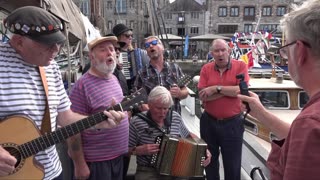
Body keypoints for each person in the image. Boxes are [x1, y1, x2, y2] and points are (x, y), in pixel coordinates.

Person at [0, 6, 124, 180]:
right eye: (47, 44)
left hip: (53, 171)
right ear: (20, 41)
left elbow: (65, 118)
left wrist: (99, 122)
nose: (56, 50)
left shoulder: (51, 67)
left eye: (57, 42)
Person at [238, 0, 320, 179]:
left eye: (285, 50)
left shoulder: (309, 124)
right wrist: (260, 113)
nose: (284, 57)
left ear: (299, 52)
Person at [68, 35, 129, 180]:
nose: (110, 53)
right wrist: (80, 164)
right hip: (97, 163)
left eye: (112, 49)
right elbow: (71, 130)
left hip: (118, 157)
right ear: (92, 57)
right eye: (103, 50)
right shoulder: (82, 86)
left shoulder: (114, 79)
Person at [128, 86, 211, 180]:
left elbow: (189, 135)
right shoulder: (137, 122)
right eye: (158, 108)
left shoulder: (175, 117)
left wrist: (204, 150)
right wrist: (138, 150)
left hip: (175, 167)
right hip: (148, 169)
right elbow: (125, 150)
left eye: (166, 108)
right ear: (149, 105)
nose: (163, 113)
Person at [198, 39, 250, 180]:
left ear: (229, 51)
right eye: (216, 51)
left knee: (232, 165)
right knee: (209, 162)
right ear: (212, 53)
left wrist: (215, 88)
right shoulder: (206, 69)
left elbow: (241, 91)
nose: (220, 53)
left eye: (223, 50)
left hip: (232, 124)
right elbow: (203, 96)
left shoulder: (240, 66)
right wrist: (229, 92)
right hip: (209, 122)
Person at [134, 36, 189, 114]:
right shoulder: (141, 73)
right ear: (146, 52)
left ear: (162, 47)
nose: (150, 46)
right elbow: (136, 99)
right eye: (147, 45)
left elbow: (185, 92)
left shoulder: (175, 68)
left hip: (173, 117)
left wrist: (179, 93)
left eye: (154, 43)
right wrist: (143, 106)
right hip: (152, 120)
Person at [112, 23, 150, 91]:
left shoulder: (138, 52)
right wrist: (115, 67)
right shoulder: (112, 52)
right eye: (127, 35)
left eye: (131, 35)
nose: (130, 37)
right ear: (118, 37)